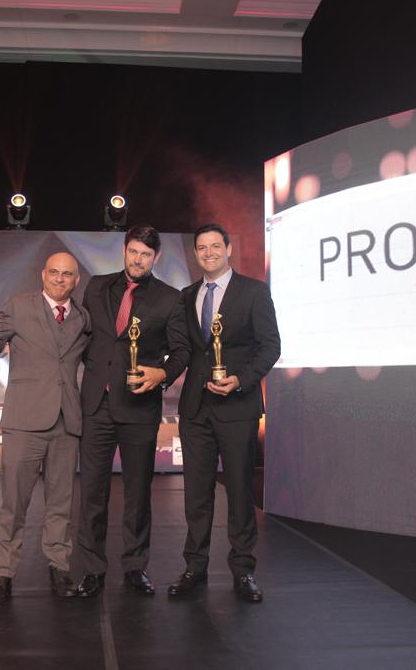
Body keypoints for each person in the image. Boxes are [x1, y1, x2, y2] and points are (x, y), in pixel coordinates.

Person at [0, 252, 91, 606]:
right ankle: (3, 574)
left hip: (67, 421)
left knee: (61, 504)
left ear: (76, 280)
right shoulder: (19, 306)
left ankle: (59, 567)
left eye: (67, 274)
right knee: (14, 503)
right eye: (54, 272)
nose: (59, 279)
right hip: (24, 422)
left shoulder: (83, 318)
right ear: (43, 274)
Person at [168, 223, 280, 603]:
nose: (209, 253)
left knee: (239, 490)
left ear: (228, 249)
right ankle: (194, 567)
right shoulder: (187, 296)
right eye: (202, 247)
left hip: (237, 406)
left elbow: (270, 346)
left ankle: (243, 569)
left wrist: (241, 380)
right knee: (196, 493)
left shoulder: (254, 292)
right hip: (195, 409)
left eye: (215, 246)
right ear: (195, 253)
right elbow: (184, 350)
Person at [75, 225, 190, 597]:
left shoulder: (170, 298)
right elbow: (84, 337)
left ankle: (135, 566)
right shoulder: (96, 286)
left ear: (156, 258)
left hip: (139, 406)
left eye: (146, 254)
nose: (138, 260)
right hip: (96, 404)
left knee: (138, 493)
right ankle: (92, 569)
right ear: (124, 250)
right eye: (133, 251)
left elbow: (182, 351)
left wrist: (162, 374)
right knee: (92, 493)